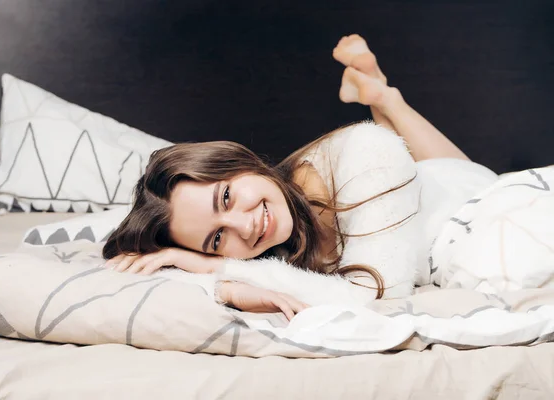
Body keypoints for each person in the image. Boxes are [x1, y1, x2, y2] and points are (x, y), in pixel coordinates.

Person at [103, 35, 498, 320]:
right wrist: (190, 265)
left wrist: (211, 266)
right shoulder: (273, 240)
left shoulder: (365, 152)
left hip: (473, 198)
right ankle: (379, 97)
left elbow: (376, 296)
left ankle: (387, 100)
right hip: (419, 187)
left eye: (225, 198)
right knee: (425, 174)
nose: (245, 225)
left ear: (240, 162)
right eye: (217, 239)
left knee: (476, 180)